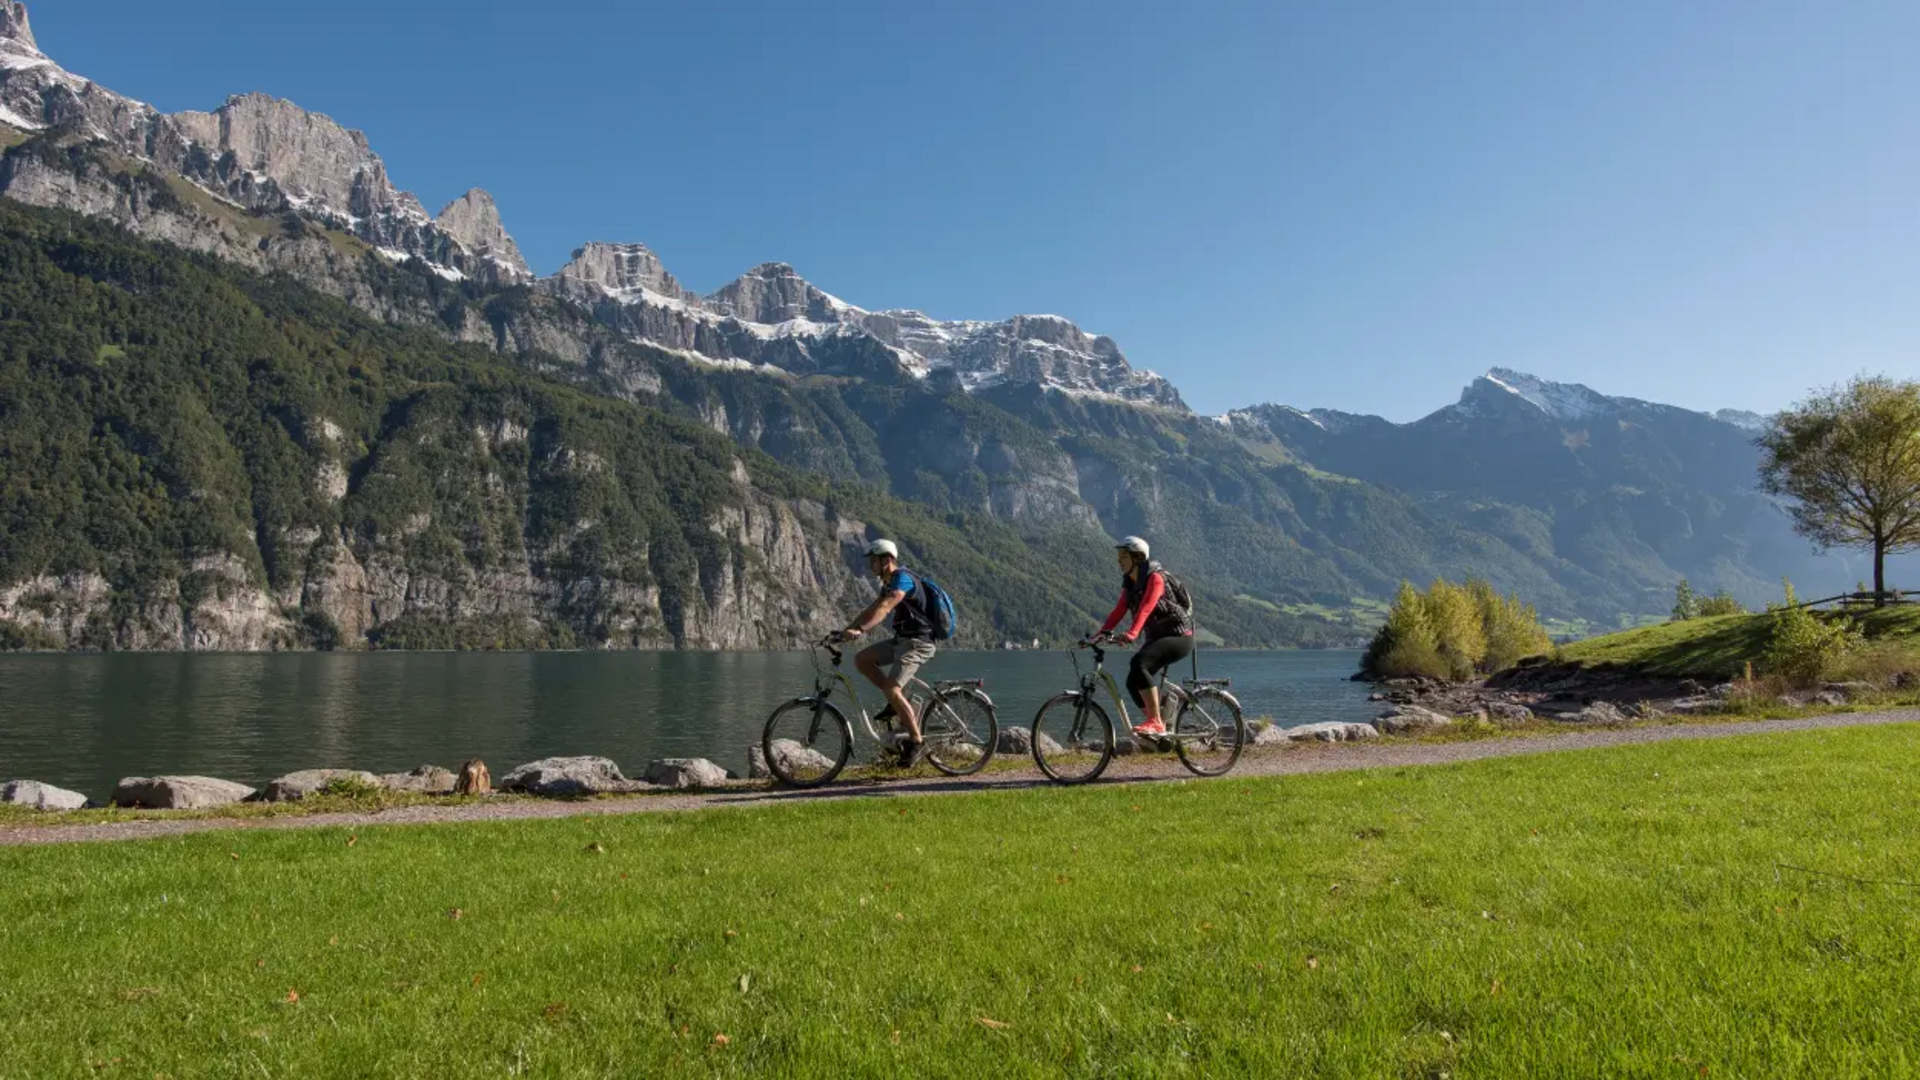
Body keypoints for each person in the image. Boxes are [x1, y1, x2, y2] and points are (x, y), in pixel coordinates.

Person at [833, 539, 937, 767]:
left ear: (887, 559)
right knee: (862, 660)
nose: (871, 565)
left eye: (874, 560)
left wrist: (860, 630)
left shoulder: (903, 579)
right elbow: (871, 609)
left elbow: (885, 607)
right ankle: (894, 703)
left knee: (892, 688)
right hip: (902, 641)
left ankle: (917, 743)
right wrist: (844, 632)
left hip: (918, 643)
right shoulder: (888, 584)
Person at [1089, 536, 1194, 737]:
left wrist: (1132, 633)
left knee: (1140, 664)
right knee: (1132, 681)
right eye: (1119, 556)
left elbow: (1147, 607)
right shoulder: (1130, 583)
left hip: (1180, 636)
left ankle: (1156, 722)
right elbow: (1119, 609)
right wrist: (1100, 634)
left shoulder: (1156, 578)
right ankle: (1158, 726)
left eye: (1123, 556)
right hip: (1157, 637)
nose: (1119, 561)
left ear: (1137, 558)